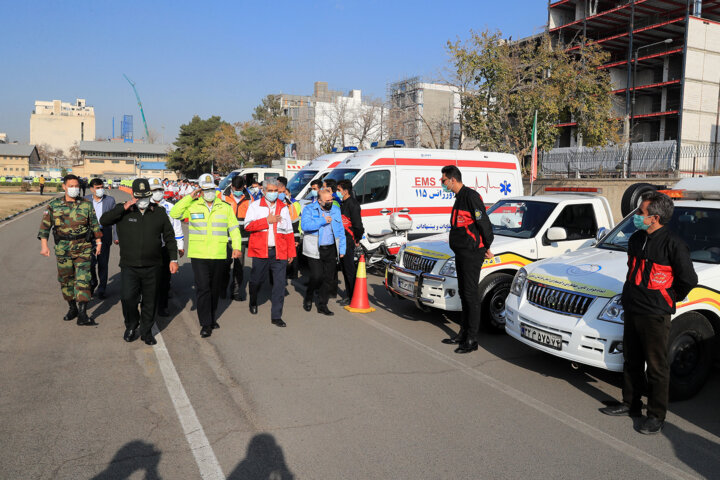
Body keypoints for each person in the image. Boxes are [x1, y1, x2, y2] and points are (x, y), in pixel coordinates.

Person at [600, 192, 697, 435]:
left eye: (640, 213)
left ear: (654, 218)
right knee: (631, 360)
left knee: (656, 366)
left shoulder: (673, 244)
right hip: (632, 309)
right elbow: (633, 271)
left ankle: (655, 416)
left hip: (655, 314)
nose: (636, 216)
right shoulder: (636, 239)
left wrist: (668, 297)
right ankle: (630, 403)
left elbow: (688, 280)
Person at [101, 178, 178, 345]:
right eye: (139, 197)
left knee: (150, 301)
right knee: (128, 298)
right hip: (130, 266)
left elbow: (170, 237)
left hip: (153, 266)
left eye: (145, 197)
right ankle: (131, 325)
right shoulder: (123, 211)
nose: (142, 201)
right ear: (133, 196)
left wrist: (173, 259)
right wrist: (125, 206)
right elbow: (104, 221)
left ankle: (146, 331)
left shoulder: (158, 212)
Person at [170, 173, 242, 338]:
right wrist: (189, 197)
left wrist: (237, 247)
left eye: (211, 189)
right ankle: (205, 323)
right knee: (203, 288)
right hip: (199, 254)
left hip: (218, 254)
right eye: (205, 189)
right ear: (200, 190)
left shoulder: (224, 207)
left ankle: (211, 316)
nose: (209, 192)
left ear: (215, 190)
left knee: (214, 289)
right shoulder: (193, 205)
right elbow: (175, 213)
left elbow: (233, 228)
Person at [439, 165, 494, 354]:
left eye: (443, 180)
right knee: (463, 293)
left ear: (453, 179)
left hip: (472, 252)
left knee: (471, 295)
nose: (442, 183)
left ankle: (472, 339)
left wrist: (486, 246)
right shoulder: (459, 198)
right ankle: (462, 333)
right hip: (461, 252)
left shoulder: (471, 196)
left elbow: (484, 223)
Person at [38, 174, 102, 326]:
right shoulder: (53, 205)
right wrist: (44, 246)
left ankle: (82, 314)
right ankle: (72, 307)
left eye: (76, 186)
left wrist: (98, 242)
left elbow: (94, 224)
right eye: (71, 186)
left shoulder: (86, 204)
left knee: (83, 279)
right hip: (63, 248)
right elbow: (45, 227)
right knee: (66, 280)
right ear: (64, 187)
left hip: (83, 247)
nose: (74, 189)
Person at [244, 178, 296, 327]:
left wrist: (291, 252)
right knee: (256, 281)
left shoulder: (283, 207)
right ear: (264, 191)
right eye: (271, 191)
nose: (274, 194)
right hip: (261, 251)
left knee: (280, 284)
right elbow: (247, 226)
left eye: (276, 191)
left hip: (279, 252)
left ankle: (276, 316)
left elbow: (288, 231)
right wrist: (266, 220)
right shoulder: (255, 206)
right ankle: (253, 300)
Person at [301, 188, 346, 316]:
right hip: (315, 248)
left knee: (328, 278)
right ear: (319, 201)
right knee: (317, 276)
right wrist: (322, 221)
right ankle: (309, 295)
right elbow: (305, 226)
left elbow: (340, 231)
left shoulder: (336, 210)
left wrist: (342, 249)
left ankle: (322, 305)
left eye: (331, 199)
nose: (330, 202)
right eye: (327, 200)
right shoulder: (309, 209)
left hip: (331, 248)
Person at [149, 177, 185, 316]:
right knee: (150, 279)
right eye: (154, 190)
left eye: (160, 190)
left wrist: (180, 246)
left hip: (165, 248)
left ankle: (162, 306)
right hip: (149, 249)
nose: (158, 192)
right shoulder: (144, 206)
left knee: (165, 280)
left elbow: (177, 228)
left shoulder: (170, 208)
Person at [219, 175, 252, 301]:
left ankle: (236, 292)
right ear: (231, 186)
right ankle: (222, 289)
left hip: (241, 239)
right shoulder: (222, 197)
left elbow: (252, 218)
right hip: (225, 238)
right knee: (224, 266)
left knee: (239, 267)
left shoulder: (250, 198)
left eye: (240, 188)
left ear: (244, 187)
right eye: (235, 188)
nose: (238, 190)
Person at [85, 178, 117, 299]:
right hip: (90, 236)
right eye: (97, 188)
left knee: (103, 263)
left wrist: (116, 236)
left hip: (105, 234)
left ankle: (102, 288)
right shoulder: (85, 200)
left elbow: (115, 220)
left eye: (101, 187)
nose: (100, 190)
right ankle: (93, 283)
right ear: (92, 189)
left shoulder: (110, 200)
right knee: (90, 263)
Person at [337, 179, 364, 306]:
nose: (337, 192)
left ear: (346, 191)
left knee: (349, 269)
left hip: (349, 239)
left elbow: (358, 225)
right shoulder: (343, 203)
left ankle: (353, 295)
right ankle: (349, 294)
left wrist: (357, 238)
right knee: (344, 268)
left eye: (339, 190)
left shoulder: (352, 204)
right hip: (342, 239)